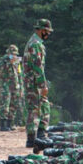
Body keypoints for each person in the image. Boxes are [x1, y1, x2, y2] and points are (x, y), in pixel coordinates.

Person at [23, 19, 53, 147]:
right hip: (35, 82)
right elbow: (37, 66)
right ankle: (39, 136)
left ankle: (33, 138)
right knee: (41, 108)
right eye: (47, 31)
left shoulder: (34, 42)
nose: (48, 34)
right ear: (42, 30)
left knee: (34, 109)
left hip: (31, 81)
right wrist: (43, 85)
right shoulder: (35, 44)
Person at [0, 45, 21, 131]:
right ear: (8, 54)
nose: (14, 56)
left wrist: (20, 85)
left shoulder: (17, 62)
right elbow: (1, 73)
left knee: (13, 104)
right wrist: (9, 63)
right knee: (5, 104)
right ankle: (3, 125)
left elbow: (19, 73)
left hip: (15, 85)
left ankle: (10, 123)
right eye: (12, 54)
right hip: (5, 85)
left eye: (15, 55)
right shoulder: (2, 61)